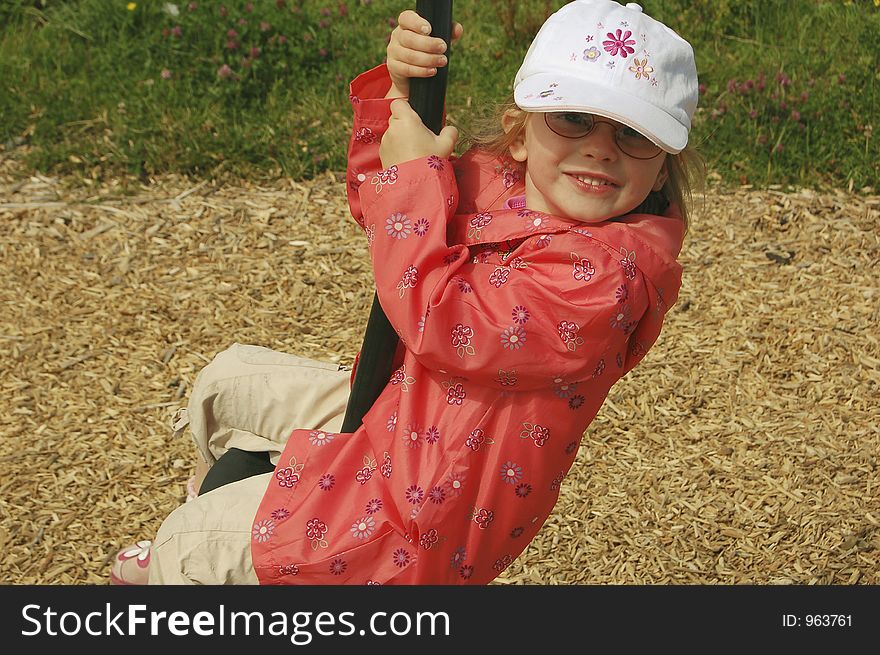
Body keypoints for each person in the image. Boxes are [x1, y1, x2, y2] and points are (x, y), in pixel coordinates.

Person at [110, 0, 704, 585]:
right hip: (400, 414)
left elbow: (446, 322)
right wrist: (399, 95)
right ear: (519, 134)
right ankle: (231, 526)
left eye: (634, 134)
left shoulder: (608, 280)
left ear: (662, 164)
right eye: (573, 119)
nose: (600, 146)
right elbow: (382, 209)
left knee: (185, 548)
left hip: (416, 515)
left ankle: (196, 565)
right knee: (226, 384)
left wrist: (411, 178)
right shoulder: (498, 182)